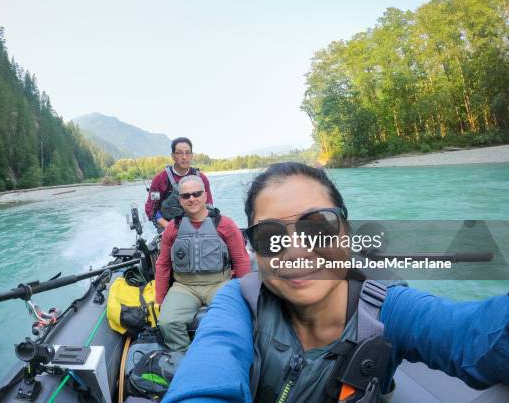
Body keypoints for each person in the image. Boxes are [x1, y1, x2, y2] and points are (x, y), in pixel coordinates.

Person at [163, 162, 509, 402]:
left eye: (319, 225)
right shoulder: (240, 300)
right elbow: (209, 369)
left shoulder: (387, 309)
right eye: (270, 235)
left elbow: (476, 335)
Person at [155, 174, 251, 352]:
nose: (192, 199)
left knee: (229, 318)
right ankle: (184, 357)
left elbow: (241, 260)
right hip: (184, 286)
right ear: (180, 200)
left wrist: (246, 296)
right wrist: (160, 298)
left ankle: (222, 354)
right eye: (186, 196)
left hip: (219, 283)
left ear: (205, 195)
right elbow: (163, 264)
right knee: (167, 322)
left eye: (196, 194)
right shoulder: (172, 228)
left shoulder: (226, 225)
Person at [144, 137, 213, 230]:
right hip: (169, 228)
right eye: (179, 153)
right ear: (172, 156)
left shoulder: (202, 179)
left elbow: (209, 205)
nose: (184, 157)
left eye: (187, 153)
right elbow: (151, 209)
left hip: (197, 228)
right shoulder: (159, 180)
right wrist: (169, 228)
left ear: (192, 155)